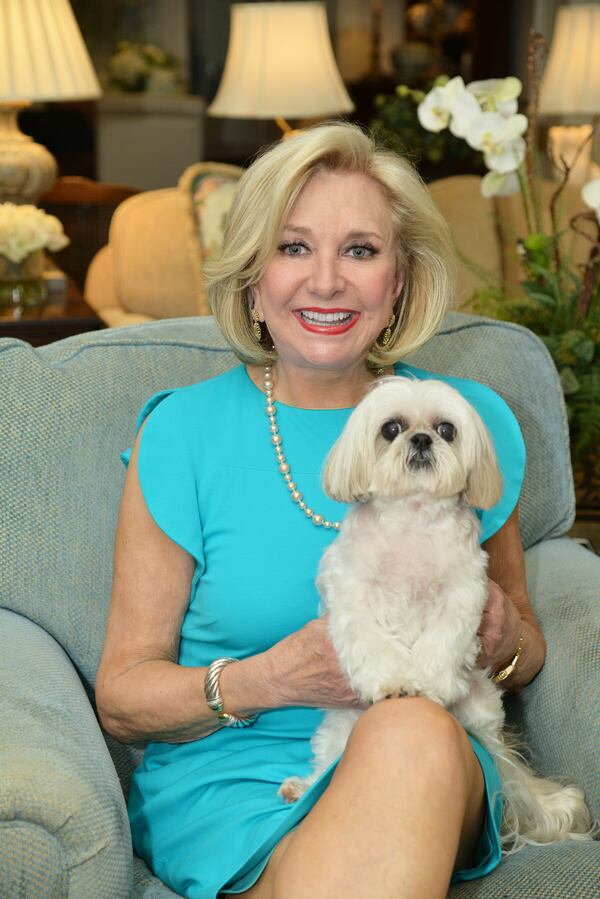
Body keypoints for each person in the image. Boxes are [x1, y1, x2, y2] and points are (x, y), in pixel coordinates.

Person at [96, 122, 546, 899]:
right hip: (233, 783)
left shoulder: (466, 424)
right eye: (294, 247)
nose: (327, 281)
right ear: (252, 276)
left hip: (425, 764)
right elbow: (124, 696)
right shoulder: (182, 432)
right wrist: (270, 678)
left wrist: (501, 639)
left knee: (406, 730)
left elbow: (524, 653)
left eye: (361, 250)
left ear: (398, 278)